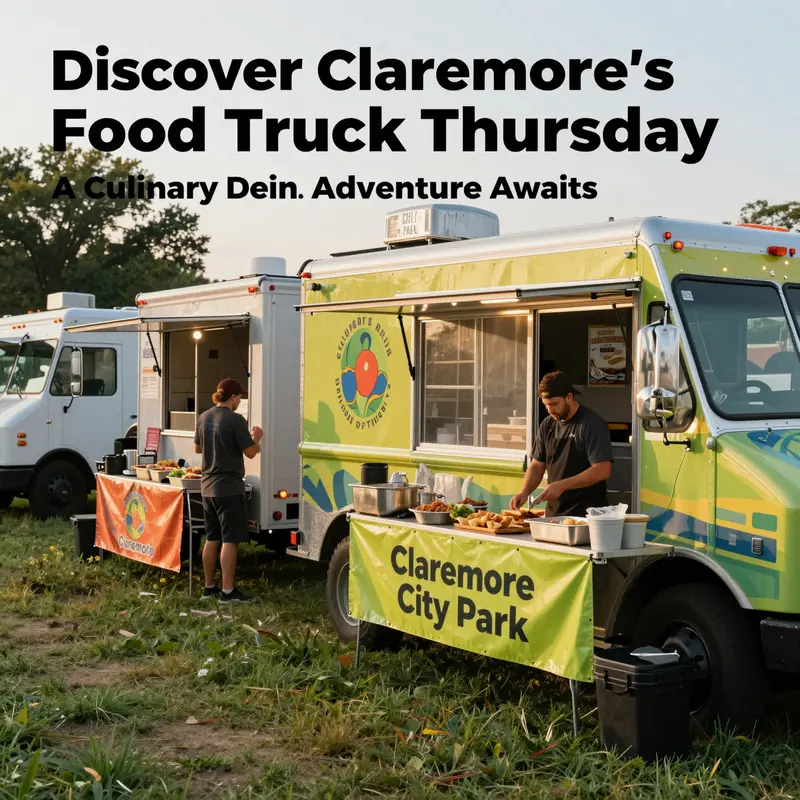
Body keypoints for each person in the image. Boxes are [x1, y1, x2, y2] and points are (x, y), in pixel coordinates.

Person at [194, 377, 263, 603]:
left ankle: (209, 588)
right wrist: (257, 437)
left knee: (212, 538)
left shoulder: (203, 417)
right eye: (239, 397)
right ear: (232, 397)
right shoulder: (235, 420)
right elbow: (251, 452)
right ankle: (227, 592)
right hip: (229, 488)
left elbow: (197, 447)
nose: (240, 401)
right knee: (230, 540)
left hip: (207, 488)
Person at [510, 371, 613, 517]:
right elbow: (537, 465)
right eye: (546, 405)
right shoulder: (547, 424)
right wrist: (524, 492)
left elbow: (603, 469)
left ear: (569, 397)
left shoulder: (591, 424)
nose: (550, 410)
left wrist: (563, 485)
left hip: (587, 515)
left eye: (554, 404)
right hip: (554, 515)